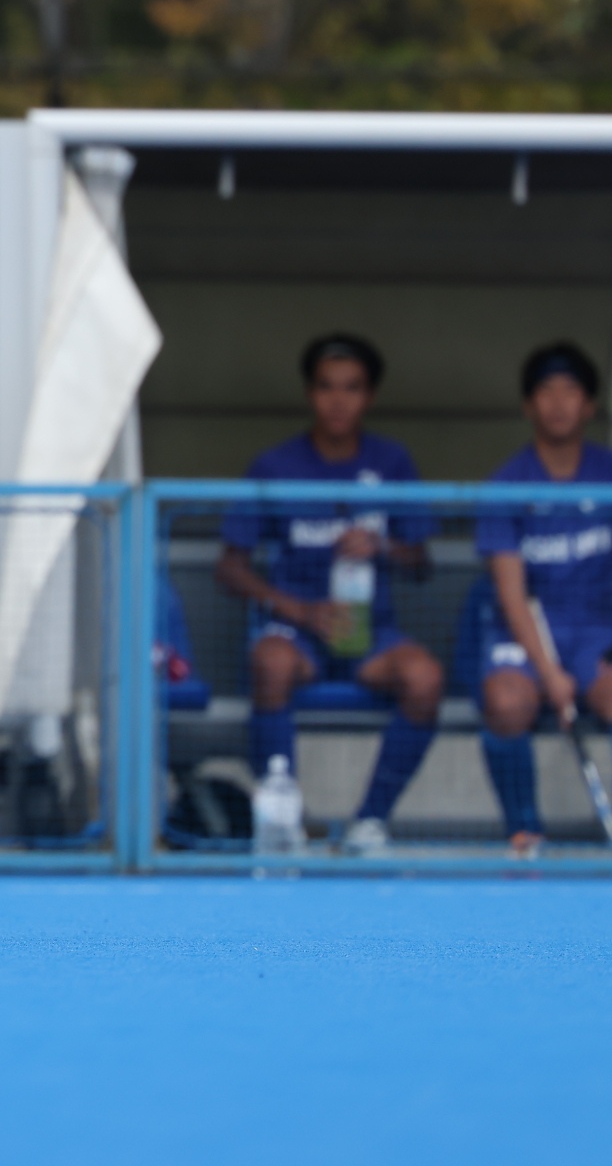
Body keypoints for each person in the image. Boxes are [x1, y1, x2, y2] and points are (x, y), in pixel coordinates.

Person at [214, 334, 440, 855]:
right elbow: (229, 567)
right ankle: (283, 821)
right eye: (326, 387)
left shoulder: (391, 462)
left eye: (352, 388)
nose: (338, 400)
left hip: (369, 633)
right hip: (298, 631)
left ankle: (371, 822)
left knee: (425, 678)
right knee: (270, 663)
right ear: (309, 393)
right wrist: (299, 610)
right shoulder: (275, 465)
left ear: (370, 396)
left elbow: (421, 562)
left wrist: (382, 545)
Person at [473, 342, 612, 861]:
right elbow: (510, 591)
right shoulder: (507, 482)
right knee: (506, 701)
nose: (559, 403)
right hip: (525, 632)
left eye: (571, 391)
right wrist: (548, 674)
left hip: (594, 629)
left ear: (589, 405)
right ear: (528, 405)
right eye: (546, 391)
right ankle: (525, 833)